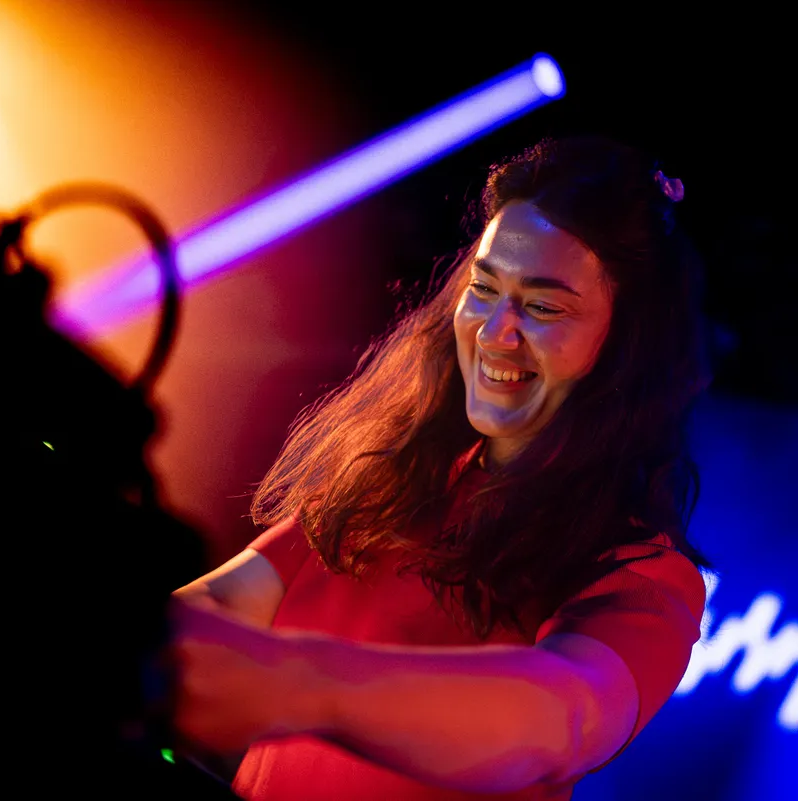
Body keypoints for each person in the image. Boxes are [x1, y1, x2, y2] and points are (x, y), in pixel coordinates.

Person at [168, 134, 711, 801]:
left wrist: (303, 684)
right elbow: (224, 603)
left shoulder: (642, 573)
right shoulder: (395, 478)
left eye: (543, 307)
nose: (493, 331)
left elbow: (560, 718)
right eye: (484, 289)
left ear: (627, 349)